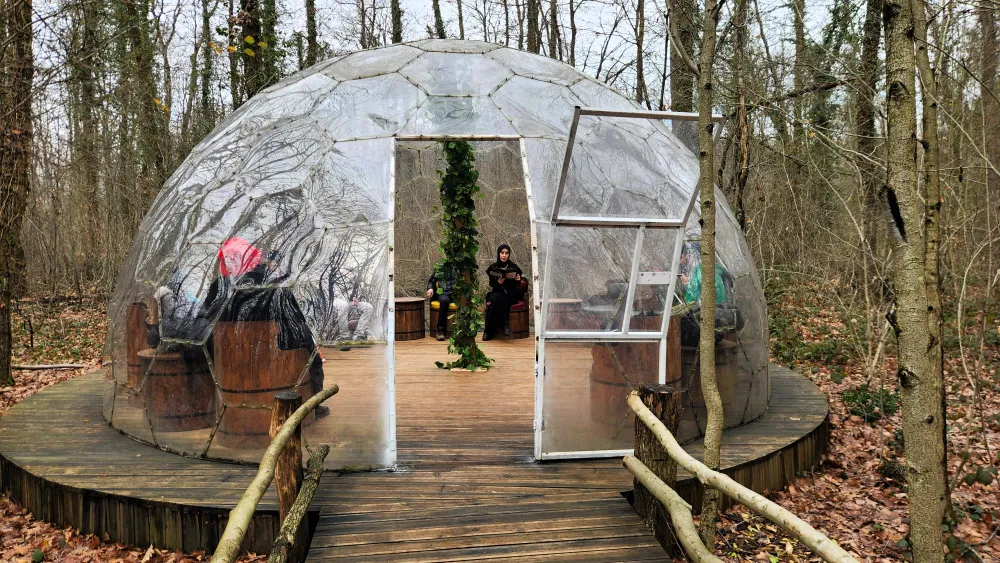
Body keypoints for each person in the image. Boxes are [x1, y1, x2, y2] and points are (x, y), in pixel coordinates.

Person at [203, 239, 329, 417]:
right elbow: (295, 318)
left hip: (231, 354)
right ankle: (314, 406)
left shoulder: (220, 287)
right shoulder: (273, 282)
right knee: (313, 359)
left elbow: (207, 314)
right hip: (276, 349)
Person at [677, 242, 741, 346]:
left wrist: (687, 285)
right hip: (718, 321)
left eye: (681, 257)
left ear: (689, 255)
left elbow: (690, 304)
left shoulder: (699, 273)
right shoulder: (715, 268)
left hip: (705, 324)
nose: (680, 262)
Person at [483, 244, 526, 341]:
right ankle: (505, 326)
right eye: (502, 253)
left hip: (510, 293)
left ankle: (487, 332)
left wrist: (518, 280)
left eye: (506, 253)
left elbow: (517, 282)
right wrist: (498, 283)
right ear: (499, 254)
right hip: (497, 291)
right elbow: (491, 284)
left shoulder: (513, 267)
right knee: (498, 298)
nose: (504, 255)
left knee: (494, 304)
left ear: (509, 254)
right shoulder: (493, 267)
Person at [330, 268, 374, 342]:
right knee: (343, 305)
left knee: (368, 307)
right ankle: (345, 336)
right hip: (336, 302)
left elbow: (355, 294)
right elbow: (333, 295)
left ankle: (359, 334)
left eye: (349, 273)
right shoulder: (334, 281)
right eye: (345, 274)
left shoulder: (354, 282)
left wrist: (355, 299)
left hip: (349, 303)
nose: (348, 275)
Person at [426, 263, 458, 341]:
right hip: (444, 293)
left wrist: (472, 289)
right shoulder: (440, 267)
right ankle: (440, 330)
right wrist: (430, 288)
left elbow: (468, 281)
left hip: (457, 293)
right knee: (444, 301)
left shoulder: (460, 266)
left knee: (465, 301)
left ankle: (463, 331)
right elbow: (431, 281)